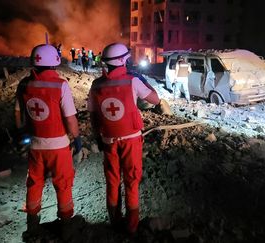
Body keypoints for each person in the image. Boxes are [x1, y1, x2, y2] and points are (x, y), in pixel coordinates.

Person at [87, 43, 160, 235]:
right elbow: (155, 99)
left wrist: (98, 138)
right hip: (131, 140)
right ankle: (132, 226)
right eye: (126, 58)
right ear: (121, 60)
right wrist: (143, 79)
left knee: (112, 181)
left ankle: (114, 222)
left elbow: (93, 116)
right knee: (131, 180)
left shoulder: (96, 85)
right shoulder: (132, 81)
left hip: (108, 140)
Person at [15, 44, 82, 238]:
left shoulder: (23, 84)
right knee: (63, 183)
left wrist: (20, 133)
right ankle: (66, 225)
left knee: (34, 182)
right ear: (55, 62)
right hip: (59, 147)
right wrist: (77, 138)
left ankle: (32, 225)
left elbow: (18, 112)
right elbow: (70, 118)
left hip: (35, 146)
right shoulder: (60, 85)